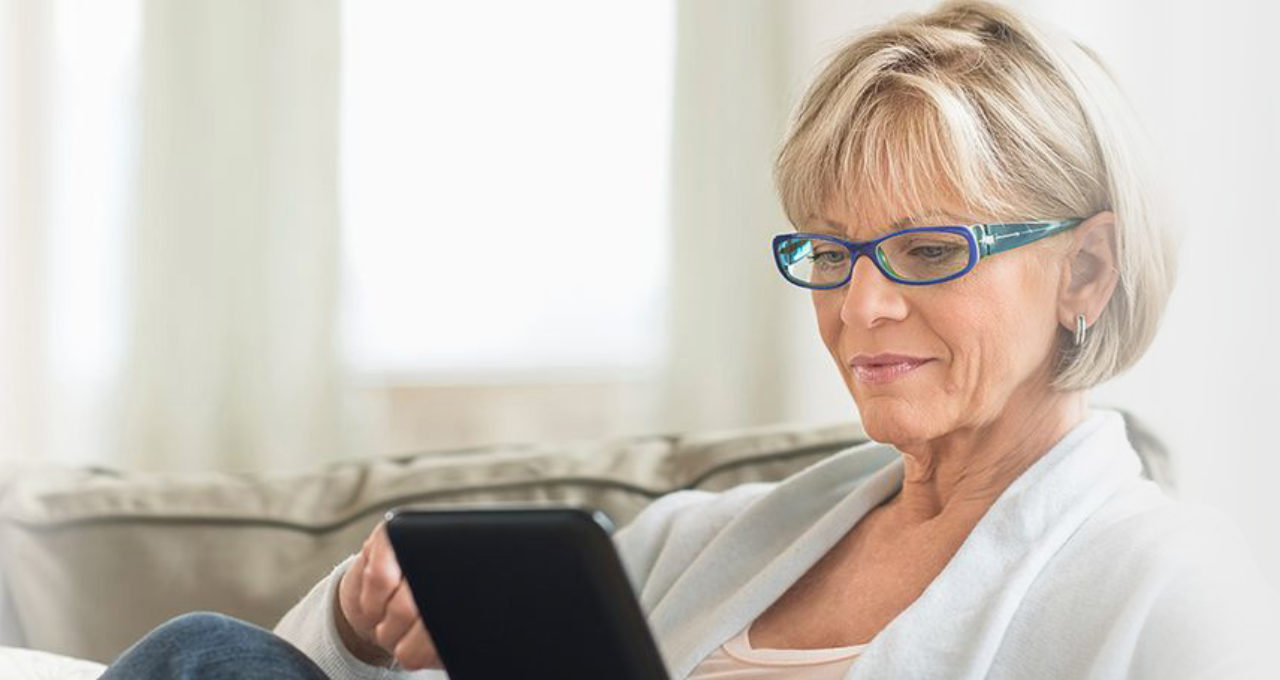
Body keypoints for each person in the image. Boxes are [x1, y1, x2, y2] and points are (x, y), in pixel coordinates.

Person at [100, 0, 1280, 677]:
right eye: (829, 248)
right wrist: (363, 619)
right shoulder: (704, 541)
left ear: (1085, 269)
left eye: (928, 251)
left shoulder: (1170, 592)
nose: (859, 306)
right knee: (207, 655)